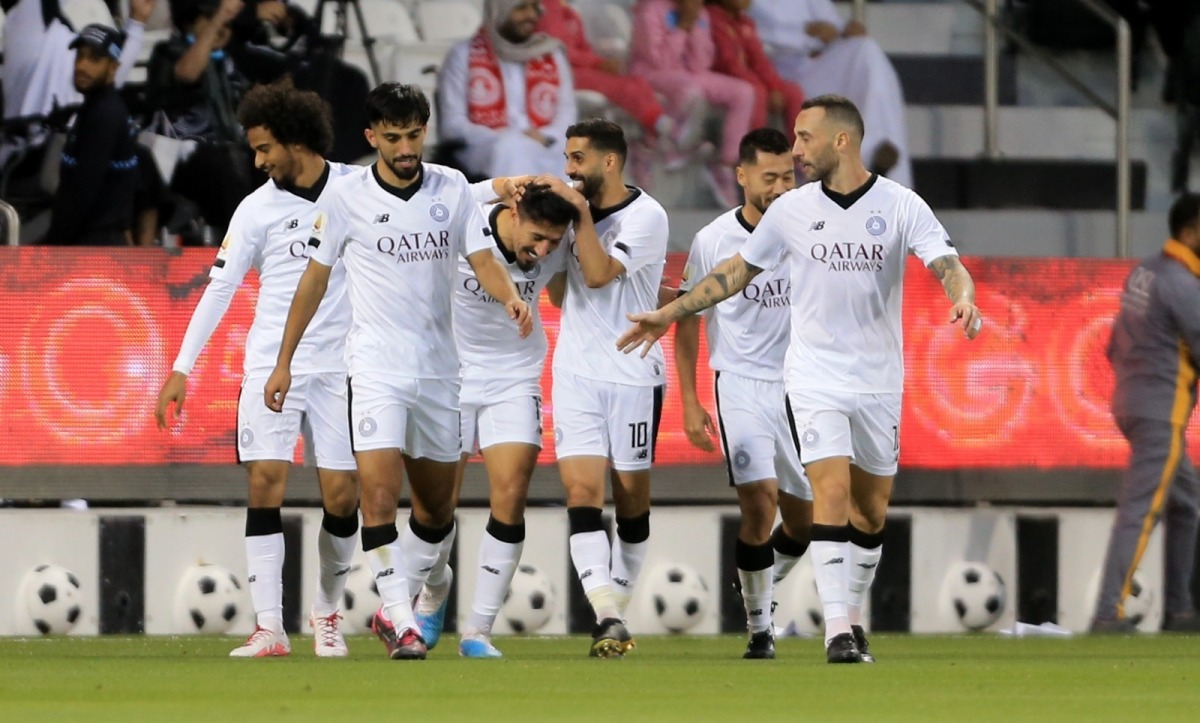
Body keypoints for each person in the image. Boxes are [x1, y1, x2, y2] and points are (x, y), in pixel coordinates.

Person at [618, 95, 982, 663]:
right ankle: (837, 631)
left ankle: (851, 616)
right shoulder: (792, 211)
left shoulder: (901, 204)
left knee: (871, 512)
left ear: (842, 141)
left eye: (805, 137)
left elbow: (946, 263)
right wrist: (671, 313)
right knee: (827, 498)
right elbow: (737, 270)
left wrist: (963, 299)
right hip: (811, 379)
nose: (797, 149)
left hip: (879, 381)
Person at [264, 83, 532, 661]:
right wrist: (283, 361)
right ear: (372, 138)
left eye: (414, 134)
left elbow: (482, 256)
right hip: (376, 368)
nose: (406, 147)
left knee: (436, 514)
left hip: (440, 370)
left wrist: (509, 296)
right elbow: (313, 281)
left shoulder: (454, 188)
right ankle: (403, 622)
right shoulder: (345, 198)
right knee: (379, 499)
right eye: (393, 137)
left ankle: (407, 604)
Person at [154, 81, 360, 657]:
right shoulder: (255, 208)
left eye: (265, 147)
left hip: (341, 370)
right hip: (270, 366)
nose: (258, 160)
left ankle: (326, 613)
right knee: (264, 482)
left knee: (343, 498)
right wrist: (181, 367)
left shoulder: (355, 190)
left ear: (297, 140)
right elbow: (220, 289)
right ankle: (270, 626)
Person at [413, 181, 581, 659]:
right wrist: (497, 182)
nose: (543, 249)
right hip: (451, 375)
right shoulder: (467, 220)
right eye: (536, 236)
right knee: (437, 507)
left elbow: (573, 278)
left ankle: (478, 632)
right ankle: (433, 592)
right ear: (512, 208)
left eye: (553, 241)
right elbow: (433, 195)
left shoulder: (560, 240)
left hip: (514, 377)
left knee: (511, 495)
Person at [674, 128, 812, 659]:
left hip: (799, 387)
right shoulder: (714, 239)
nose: (779, 187)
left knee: (803, 522)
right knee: (760, 503)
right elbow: (688, 318)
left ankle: (754, 576)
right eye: (769, 177)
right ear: (742, 175)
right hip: (740, 384)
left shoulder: (808, 232)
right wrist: (689, 401)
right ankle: (760, 629)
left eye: (787, 176)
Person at [550, 118, 669, 658]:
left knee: (630, 501)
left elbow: (598, 274)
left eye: (578, 159)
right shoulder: (571, 213)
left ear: (610, 162)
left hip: (632, 375)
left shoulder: (647, 216)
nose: (570, 169)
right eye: (568, 159)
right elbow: (560, 293)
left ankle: (615, 607)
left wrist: (575, 217)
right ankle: (607, 615)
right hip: (575, 371)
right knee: (581, 495)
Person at [1092, 193, 1200, 634]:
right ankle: (1107, 612)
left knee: (1187, 503)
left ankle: (1179, 610)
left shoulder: (1145, 272)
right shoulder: (1181, 283)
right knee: (1141, 510)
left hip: (1132, 402)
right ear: (1191, 232)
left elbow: (1112, 343)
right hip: (1161, 411)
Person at [749, 0, 910, 186]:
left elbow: (831, 25)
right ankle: (861, 171)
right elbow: (747, 32)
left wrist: (844, 32)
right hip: (777, 71)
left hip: (816, 64)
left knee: (866, 50)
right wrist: (806, 35)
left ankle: (874, 158)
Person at [628, 0, 755, 207]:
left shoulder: (699, 11)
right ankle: (664, 146)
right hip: (650, 74)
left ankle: (724, 166)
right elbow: (659, 61)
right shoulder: (651, 9)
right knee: (690, 91)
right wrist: (683, 25)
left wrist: (693, 22)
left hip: (688, 74)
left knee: (743, 92)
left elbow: (701, 63)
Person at [437, 0, 576, 179]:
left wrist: (543, 136)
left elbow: (566, 116)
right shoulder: (463, 55)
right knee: (511, 149)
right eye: (521, 8)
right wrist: (504, 137)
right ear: (498, 11)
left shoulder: (551, 55)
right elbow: (453, 124)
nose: (531, 15)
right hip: (485, 147)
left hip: (546, 144)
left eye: (535, 7)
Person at [43, 24, 140, 246]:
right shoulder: (93, 107)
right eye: (80, 56)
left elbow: (83, 192)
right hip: (90, 242)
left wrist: (52, 249)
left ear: (113, 68)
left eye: (94, 59)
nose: (81, 66)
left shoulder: (104, 115)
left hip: (95, 249)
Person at [536, 0, 677, 150]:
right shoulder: (549, 7)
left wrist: (601, 63)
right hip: (563, 73)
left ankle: (654, 127)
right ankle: (656, 123)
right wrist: (598, 63)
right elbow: (560, 50)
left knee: (637, 81)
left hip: (581, 66)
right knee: (620, 86)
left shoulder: (568, 10)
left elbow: (583, 47)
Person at [705, 0, 804, 144]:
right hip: (723, 77)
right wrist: (762, 86)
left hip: (748, 77)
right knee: (758, 92)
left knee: (793, 91)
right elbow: (728, 64)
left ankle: (801, 153)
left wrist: (774, 87)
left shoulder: (745, 22)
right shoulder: (713, 19)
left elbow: (759, 60)